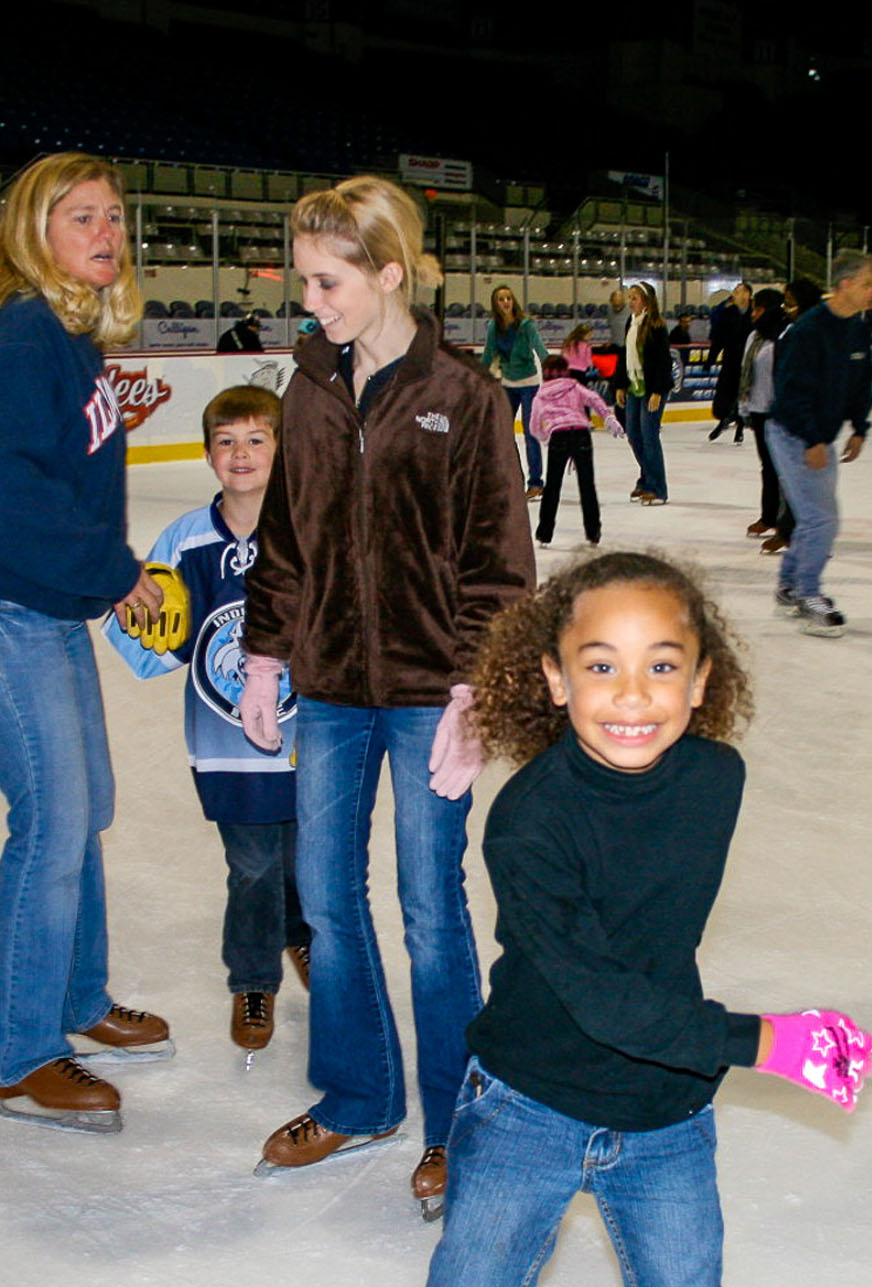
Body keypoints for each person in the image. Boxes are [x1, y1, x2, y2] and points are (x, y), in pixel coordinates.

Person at [337, 549, 872, 1287]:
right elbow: (599, 995)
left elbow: (649, 955)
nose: (633, 697)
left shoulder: (715, 780)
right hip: (525, 1109)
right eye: (601, 666)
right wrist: (770, 1040)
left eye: (662, 665)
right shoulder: (530, 818)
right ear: (551, 678)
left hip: (663, 1123)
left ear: (704, 679)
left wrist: (713, 1049)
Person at [240, 174, 534, 1218]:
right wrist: (268, 652)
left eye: (328, 282)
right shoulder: (308, 388)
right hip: (328, 685)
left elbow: (501, 569)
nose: (309, 302)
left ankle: (463, 1124)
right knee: (325, 896)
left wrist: (474, 695)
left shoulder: (464, 395)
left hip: (424, 695)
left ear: (389, 273)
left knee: (430, 907)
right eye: (304, 280)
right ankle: (361, 1093)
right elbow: (286, 536)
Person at [0, 151, 175, 1136]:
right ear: (35, 234)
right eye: (82, 218)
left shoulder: (69, 338)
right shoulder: (19, 336)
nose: (106, 233)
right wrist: (119, 576)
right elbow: (3, 496)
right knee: (52, 820)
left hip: (43, 601)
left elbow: (59, 497)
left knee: (87, 806)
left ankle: (77, 997)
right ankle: (22, 1052)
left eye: (114, 215)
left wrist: (99, 582)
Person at [101, 386, 310, 1056]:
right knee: (251, 861)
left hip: (312, 733)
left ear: (284, 449)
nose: (240, 453)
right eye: (226, 441)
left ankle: (301, 931)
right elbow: (144, 642)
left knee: (306, 853)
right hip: (225, 742)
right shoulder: (185, 540)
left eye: (256, 438)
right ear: (207, 453)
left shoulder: (315, 528)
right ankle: (254, 978)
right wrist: (130, 608)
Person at [767, 250, 872, 638]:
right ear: (845, 284)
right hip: (792, 434)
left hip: (818, 435)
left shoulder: (857, 330)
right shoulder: (809, 330)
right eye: (868, 283)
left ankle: (789, 584)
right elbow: (790, 391)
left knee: (816, 516)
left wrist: (860, 427)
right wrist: (814, 439)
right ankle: (806, 592)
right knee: (821, 519)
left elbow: (862, 383)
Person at [527, 352, 621, 547]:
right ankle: (593, 533)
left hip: (559, 437)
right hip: (580, 434)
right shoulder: (574, 386)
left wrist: (544, 437)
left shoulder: (541, 395)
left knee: (552, 487)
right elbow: (594, 399)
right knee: (587, 486)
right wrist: (608, 417)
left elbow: (534, 425)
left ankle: (544, 534)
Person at [482, 284, 551, 500]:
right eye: (501, 299)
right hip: (508, 385)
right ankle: (510, 478)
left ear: (513, 301)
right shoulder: (494, 327)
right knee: (502, 432)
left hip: (530, 384)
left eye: (508, 298)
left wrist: (552, 372)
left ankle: (536, 482)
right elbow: (487, 356)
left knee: (530, 435)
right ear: (495, 303)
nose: (505, 302)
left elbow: (540, 349)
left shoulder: (526, 325)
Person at [741, 287, 796, 549]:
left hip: (780, 413)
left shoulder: (784, 337)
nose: (753, 314)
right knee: (768, 468)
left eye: (758, 309)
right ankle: (769, 516)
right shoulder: (754, 336)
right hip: (758, 410)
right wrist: (744, 407)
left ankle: (788, 527)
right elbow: (746, 371)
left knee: (785, 471)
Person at [612, 282, 673, 505]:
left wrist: (657, 391)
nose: (630, 302)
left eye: (634, 298)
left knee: (649, 436)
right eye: (629, 297)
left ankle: (658, 488)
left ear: (646, 301)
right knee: (634, 435)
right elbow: (624, 355)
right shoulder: (632, 322)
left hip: (652, 389)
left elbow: (662, 361)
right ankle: (646, 478)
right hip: (633, 387)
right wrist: (620, 385)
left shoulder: (656, 325)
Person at [707, 280, 753, 442]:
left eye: (740, 291)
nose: (736, 294)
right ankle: (724, 419)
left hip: (748, 362)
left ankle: (739, 426)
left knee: (741, 395)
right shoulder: (728, 314)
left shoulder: (755, 313)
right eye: (735, 291)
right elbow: (719, 338)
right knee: (725, 393)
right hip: (730, 360)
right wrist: (711, 359)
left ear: (748, 294)